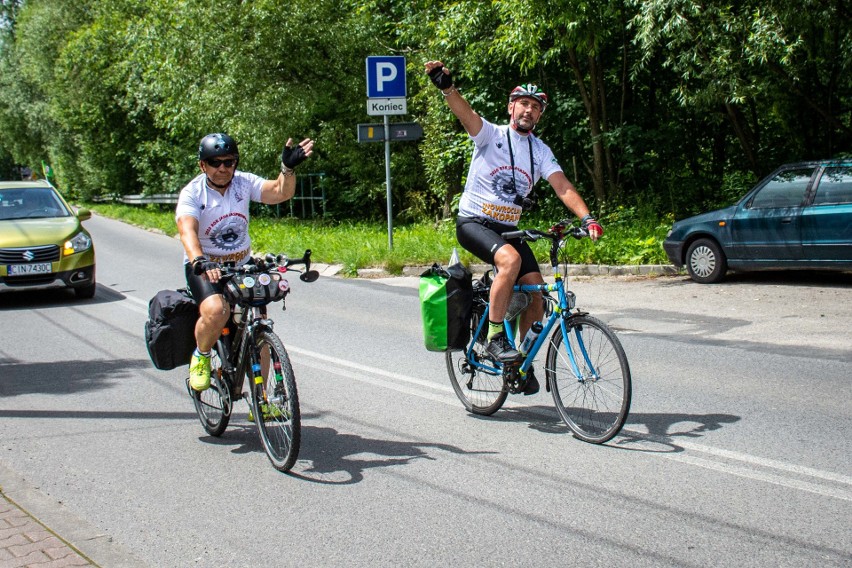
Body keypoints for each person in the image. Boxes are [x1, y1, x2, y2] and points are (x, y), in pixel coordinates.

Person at [424, 60, 603, 395]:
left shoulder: (540, 151)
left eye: (536, 107)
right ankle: (494, 336)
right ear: (511, 107)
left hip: (507, 229)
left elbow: (562, 185)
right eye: (524, 104)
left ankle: (519, 363)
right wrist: (446, 86)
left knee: (535, 290)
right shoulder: (492, 135)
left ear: (539, 116)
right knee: (510, 261)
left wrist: (586, 217)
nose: (529, 111)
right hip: (474, 222)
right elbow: (466, 115)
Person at [176, 132, 314, 391]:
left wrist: (288, 168)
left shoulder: (243, 183)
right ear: (202, 165)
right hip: (207, 267)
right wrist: (199, 261)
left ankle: (261, 400)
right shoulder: (192, 193)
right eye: (215, 163)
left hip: (242, 263)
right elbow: (187, 231)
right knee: (217, 311)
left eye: (229, 162)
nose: (223, 169)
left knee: (256, 324)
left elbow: (280, 192)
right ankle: (202, 355)